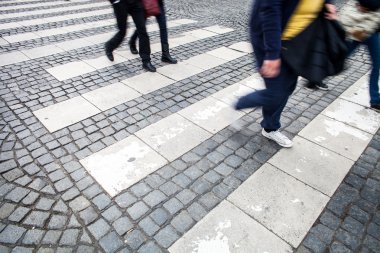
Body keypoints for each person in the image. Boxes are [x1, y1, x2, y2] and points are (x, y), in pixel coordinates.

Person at [234, 0, 336, 148]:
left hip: (297, 40)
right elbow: (269, 10)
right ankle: (239, 103)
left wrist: (328, 2)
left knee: (288, 87)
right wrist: (272, 54)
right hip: (270, 38)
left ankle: (270, 127)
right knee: (276, 92)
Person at [340, 0, 380, 110]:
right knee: (340, 57)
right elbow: (372, 3)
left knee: (377, 65)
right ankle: (316, 76)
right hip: (362, 26)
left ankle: (375, 99)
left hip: (371, 30)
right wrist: (364, 5)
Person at [105, 0, 156, 72]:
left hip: (136, 3)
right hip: (120, 4)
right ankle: (109, 46)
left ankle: (146, 61)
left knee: (142, 30)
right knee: (122, 32)